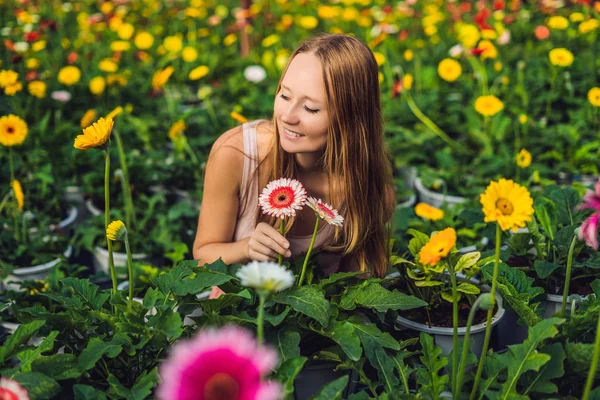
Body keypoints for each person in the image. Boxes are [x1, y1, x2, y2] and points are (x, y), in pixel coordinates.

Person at [192, 33, 395, 281]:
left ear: (352, 119)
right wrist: (246, 248)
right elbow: (202, 258)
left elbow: (356, 283)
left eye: (310, 108)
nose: (287, 116)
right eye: (285, 95)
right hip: (238, 312)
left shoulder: (370, 193)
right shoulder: (236, 154)